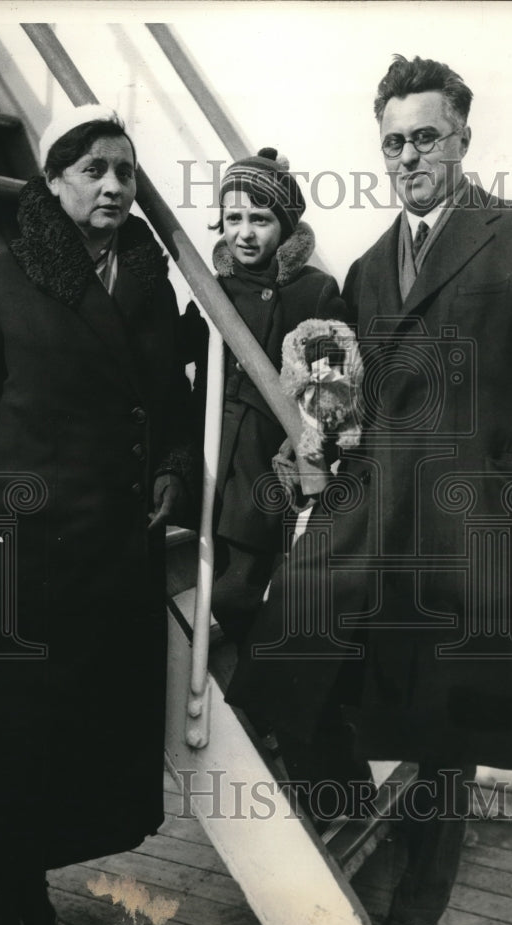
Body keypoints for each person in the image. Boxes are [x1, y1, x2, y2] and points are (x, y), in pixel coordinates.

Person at [226, 55, 512, 925]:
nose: (407, 157)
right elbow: (350, 409)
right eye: (392, 141)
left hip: (474, 534)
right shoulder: (364, 269)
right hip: (379, 528)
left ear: (463, 139)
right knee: (286, 663)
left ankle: (420, 897)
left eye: (425, 138)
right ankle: (353, 830)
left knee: (450, 725)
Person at [0, 105, 200, 925]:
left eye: (125, 171)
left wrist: (173, 466)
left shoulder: (148, 284)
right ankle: (3, 914)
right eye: (94, 171)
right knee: (15, 736)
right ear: (54, 182)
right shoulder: (2, 282)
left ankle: (32, 900)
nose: (114, 185)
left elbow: (170, 402)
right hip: (15, 554)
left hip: (109, 549)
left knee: (80, 738)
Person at [210, 147, 347, 644]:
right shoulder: (213, 288)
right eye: (234, 218)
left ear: (286, 227)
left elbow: (332, 384)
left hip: (266, 459)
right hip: (215, 451)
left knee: (235, 593)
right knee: (216, 574)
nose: (245, 232)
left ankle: (266, 677)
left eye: (261, 219)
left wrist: (307, 445)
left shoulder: (313, 290)